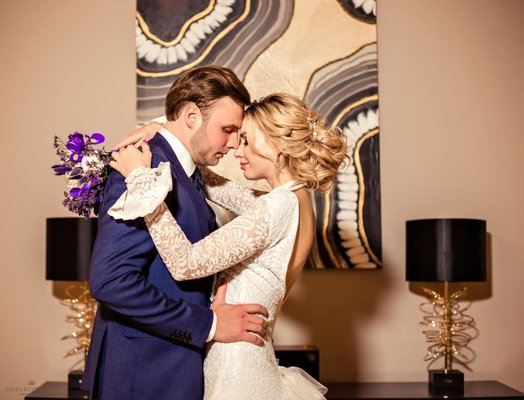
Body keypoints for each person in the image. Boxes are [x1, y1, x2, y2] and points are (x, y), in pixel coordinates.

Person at [109, 93, 349, 399]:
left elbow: (185, 264)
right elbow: (214, 184)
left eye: (246, 139)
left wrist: (141, 180)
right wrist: (163, 128)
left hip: (236, 367)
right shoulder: (297, 199)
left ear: (277, 143)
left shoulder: (278, 205)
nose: (237, 149)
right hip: (251, 359)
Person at [82, 65, 269, 400]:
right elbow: (110, 280)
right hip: (144, 375)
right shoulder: (143, 170)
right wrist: (209, 324)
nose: (232, 144)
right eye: (226, 130)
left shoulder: (183, 169)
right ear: (192, 116)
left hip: (169, 369)